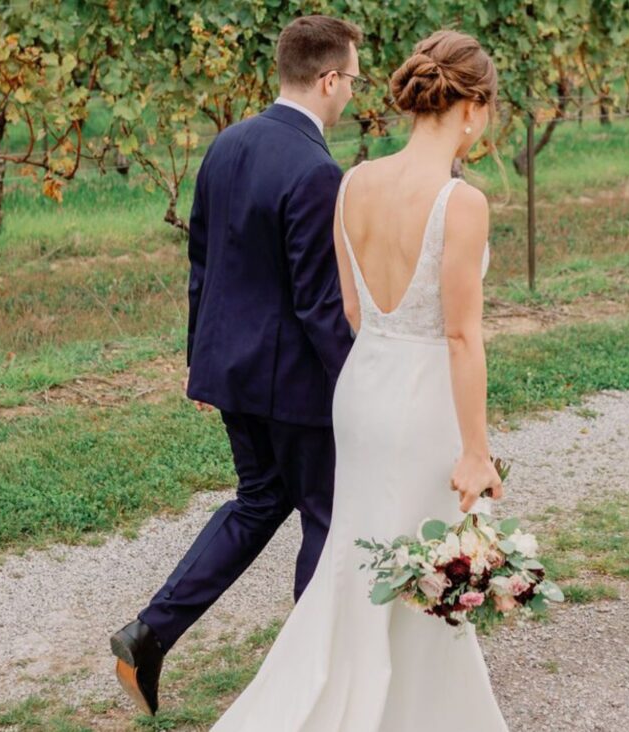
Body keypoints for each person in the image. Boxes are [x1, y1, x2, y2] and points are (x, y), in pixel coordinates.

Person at [208, 29, 509, 731]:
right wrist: (476, 449)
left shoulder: (354, 182)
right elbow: (462, 336)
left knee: (362, 554)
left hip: (363, 386)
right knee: (424, 557)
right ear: (471, 108)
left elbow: (350, 308)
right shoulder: (460, 202)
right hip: (422, 398)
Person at [109, 15, 364, 716]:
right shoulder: (317, 171)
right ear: (328, 79)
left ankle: (148, 635)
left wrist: (201, 358)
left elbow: (203, 264)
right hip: (294, 386)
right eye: (352, 79)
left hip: (234, 372)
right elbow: (317, 303)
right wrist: (359, 382)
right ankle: (311, 684)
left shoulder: (226, 144)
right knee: (327, 515)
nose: (353, 93)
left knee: (259, 502)